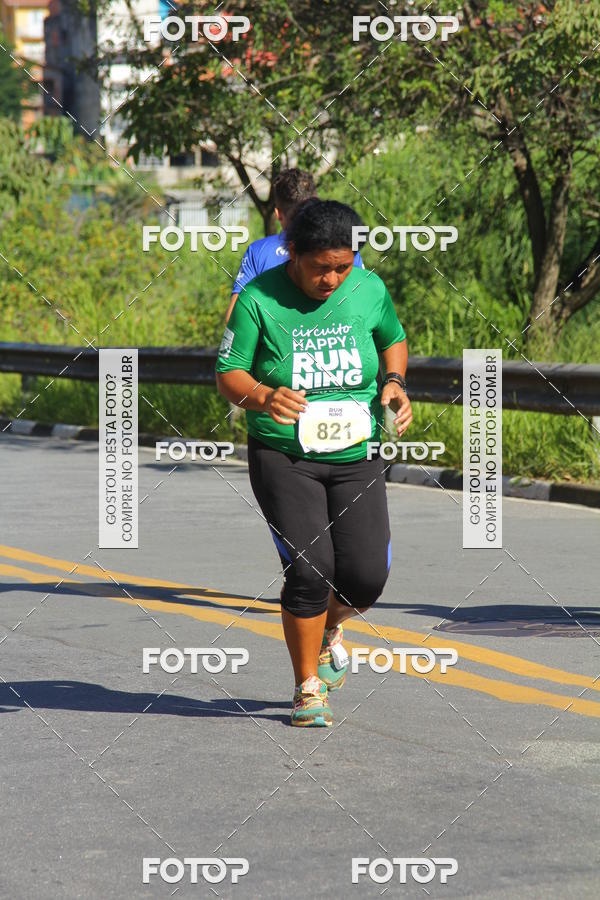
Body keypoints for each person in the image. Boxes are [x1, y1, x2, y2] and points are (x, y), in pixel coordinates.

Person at [215, 199, 412, 727]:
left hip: (356, 454)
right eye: (320, 267)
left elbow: (393, 339)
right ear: (293, 254)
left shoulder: (367, 289)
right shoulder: (259, 299)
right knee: (309, 571)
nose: (331, 279)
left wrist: (394, 383)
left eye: (342, 267)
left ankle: (328, 627)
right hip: (285, 456)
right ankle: (307, 688)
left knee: (365, 578)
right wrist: (264, 396)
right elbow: (229, 372)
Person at [224, 168, 364, 324]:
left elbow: (234, 319)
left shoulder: (258, 252)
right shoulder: (344, 248)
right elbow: (364, 305)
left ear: (278, 214)